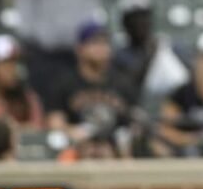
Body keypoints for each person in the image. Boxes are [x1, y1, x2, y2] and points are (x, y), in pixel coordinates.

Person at [45, 21, 137, 160]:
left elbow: (132, 124)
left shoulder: (122, 83)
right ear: (79, 48)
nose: (101, 48)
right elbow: (54, 123)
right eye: (95, 43)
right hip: (77, 151)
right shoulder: (65, 83)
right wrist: (72, 132)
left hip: (113, 153)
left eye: (105, 43)